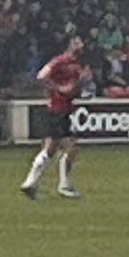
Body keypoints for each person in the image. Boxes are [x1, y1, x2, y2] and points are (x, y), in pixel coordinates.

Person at [20, 34, 86, 201]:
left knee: (51, 149)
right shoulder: (60, 61)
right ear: (69, 45)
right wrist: (59, 88)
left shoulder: (77, 66)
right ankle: (64, 186)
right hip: (57, 110)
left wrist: (79, 84)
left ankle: (30, 183)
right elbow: (42, 76)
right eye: (76, 42)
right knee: (71, 147)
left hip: (63, 110)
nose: (81, 44)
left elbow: (73, 89)